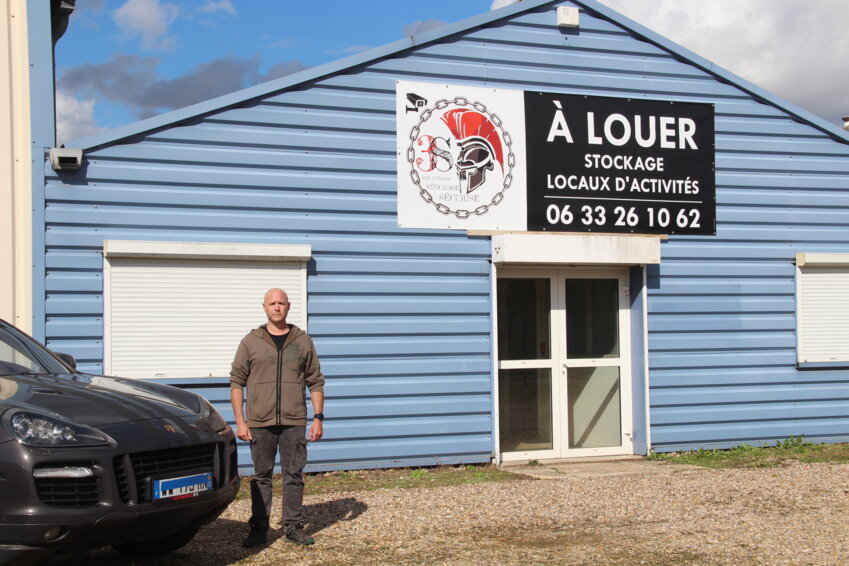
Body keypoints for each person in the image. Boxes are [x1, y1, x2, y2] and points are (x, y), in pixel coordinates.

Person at [230, 288, 325, 547]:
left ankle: (293, 527)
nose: (276, 307)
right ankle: (259, 529)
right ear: (264, 307)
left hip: (294, 421)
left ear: (288, 306)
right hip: (260, 421)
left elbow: (315, 382)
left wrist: (318, 417)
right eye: (272, 303)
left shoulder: (302, 341)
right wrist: (240, 420)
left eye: (281, 303)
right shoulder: (251, 341)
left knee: (293, 475)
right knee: (262, 476)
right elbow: (237, 382)